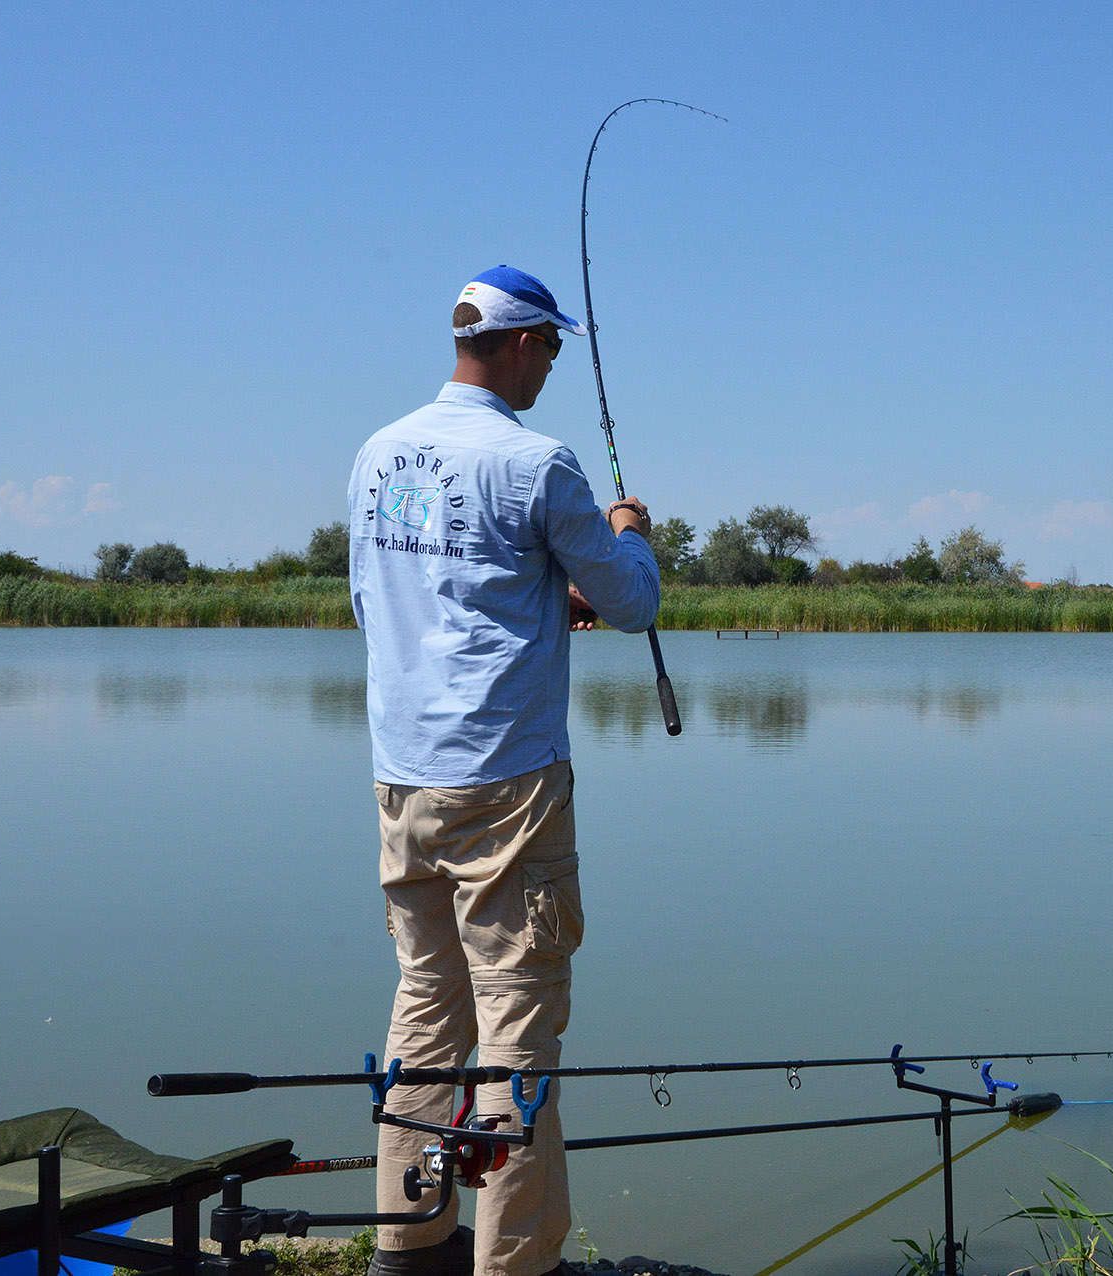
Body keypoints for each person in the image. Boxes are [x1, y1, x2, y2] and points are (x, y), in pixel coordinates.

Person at [347, 265, 660, 1276]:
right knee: (517, 1020)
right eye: (553, 347)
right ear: (520, 343)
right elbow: (629, 601)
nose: (555, 364)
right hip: (509, 786)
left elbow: (387, 604)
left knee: (426, 1002)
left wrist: (537, 605)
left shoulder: (377, 451)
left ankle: (410, 1244)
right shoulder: (540, 463)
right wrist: (629, 537)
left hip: (402, 779)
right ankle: (513, 1263)